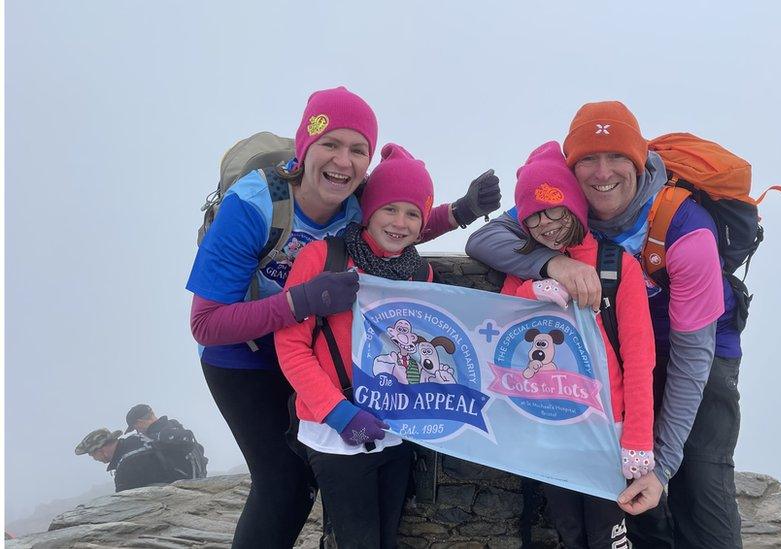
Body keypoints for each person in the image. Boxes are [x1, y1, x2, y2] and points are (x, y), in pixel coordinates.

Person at [186, 86, 501, 548]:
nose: (343, 161)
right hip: (242, 358)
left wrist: (460, 212)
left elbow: (394, 224)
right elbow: (206, 325)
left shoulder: (355, 200)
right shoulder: (252, 208)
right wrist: (300, 303)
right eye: (330, 144)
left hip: (303, 347)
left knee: (304, 478)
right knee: (282, 482)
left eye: (358, 150)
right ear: (304, 147)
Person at [466, 101, 742, 548]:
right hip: (617, 358)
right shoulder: (562, 205)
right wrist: (551, 262)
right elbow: (484, 238)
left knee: (700, 486)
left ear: (638, 160)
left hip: (695, 355)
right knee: (626, 499)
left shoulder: (686, 228)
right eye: (587, 160)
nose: (601, 173)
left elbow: (693, 360)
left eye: (616, 157)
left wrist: (663, 465)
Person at [276, 143, 440, 549]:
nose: (400, 223)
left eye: (413, 213)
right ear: (369, 210)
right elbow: (292, 347)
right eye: (390, 208)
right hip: (334, 433)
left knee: (386, 538)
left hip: (394, 432)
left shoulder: (421, 272)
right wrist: (338, 412)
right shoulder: (324, 258)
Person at [498, 141, 655, 548]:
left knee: (610, 539)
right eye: (533, 217)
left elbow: (640, 360)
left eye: (554, 208)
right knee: (570, 534)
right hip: (555, 428)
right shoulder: (530, 263)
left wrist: (637, 440)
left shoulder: (620, 266)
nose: (545, 224)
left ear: (575, 203)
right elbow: (502, 315)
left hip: (609, 432)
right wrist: (535, 289)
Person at [75, 428, 187, 492]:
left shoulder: (126, 466)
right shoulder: (137, 439)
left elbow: (123, 503)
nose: (95, 459)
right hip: (185, 482)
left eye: (92, 455)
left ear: (99, 450)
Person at [124, 403, 208, 479]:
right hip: (198, 479)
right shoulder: (172, 426)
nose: (138, 433)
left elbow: (187, 440)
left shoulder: (161, 433)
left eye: (136, 429)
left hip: (186, 487)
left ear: (139, 423)